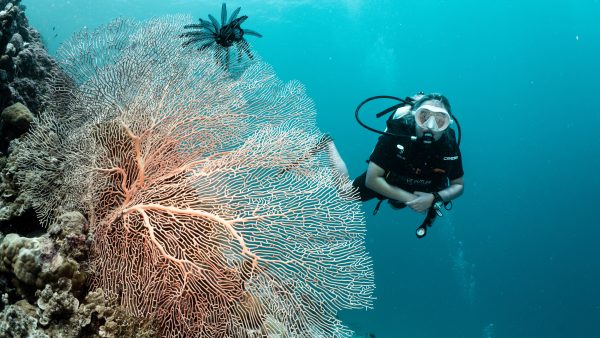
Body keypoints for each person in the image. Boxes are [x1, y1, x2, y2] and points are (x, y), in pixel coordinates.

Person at [325, 92, 464, 238]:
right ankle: (327, 142)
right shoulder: (397, 131)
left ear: (448, 124)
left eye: (439, 121)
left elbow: (459, 185)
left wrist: (433, 198)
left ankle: (401, 200)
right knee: (345, 192)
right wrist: (412, 200)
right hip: (389, 177)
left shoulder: (448, 145)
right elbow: (372, 179)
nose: (430, 126)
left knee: (406, 207)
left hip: (424, 185)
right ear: (414, 115)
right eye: (423, 117)